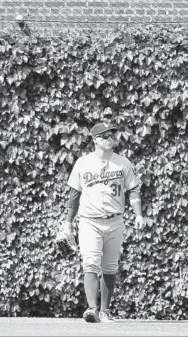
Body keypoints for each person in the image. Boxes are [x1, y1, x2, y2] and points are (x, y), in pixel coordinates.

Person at [63, 122, 144, 323]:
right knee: (90, 261)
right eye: (106, 136)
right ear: (96, 140)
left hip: (115, 220)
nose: (111, 139)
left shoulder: (123, 163)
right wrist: (67, 222)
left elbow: (133, 189)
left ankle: (105, 311)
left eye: (112, 136)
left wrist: (139, 214)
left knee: (110, 266)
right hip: (89, 221)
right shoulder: (83, 163)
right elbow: (74, 195)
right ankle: (92, 309)